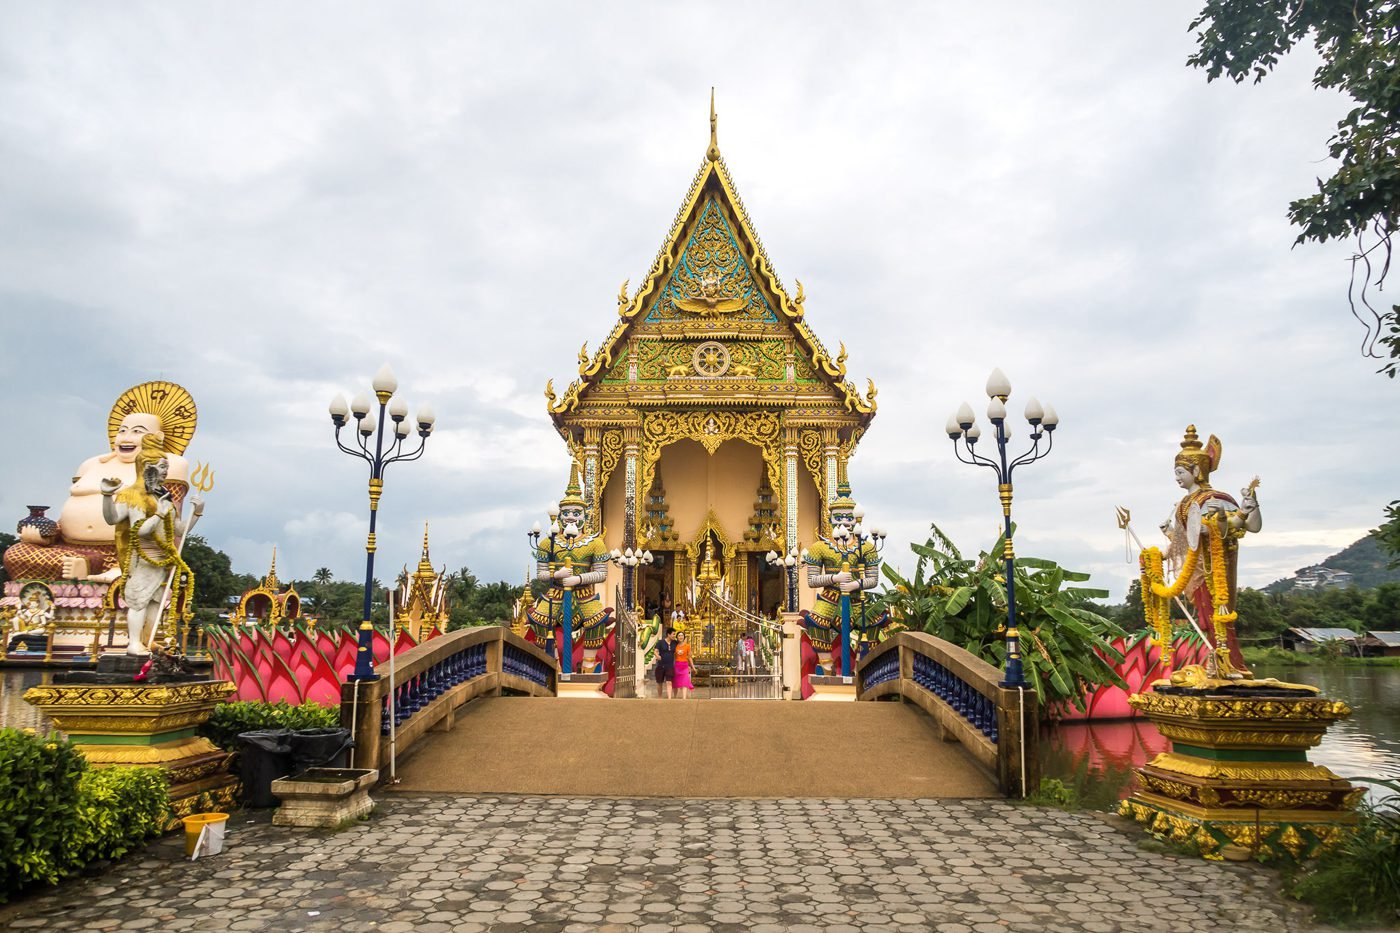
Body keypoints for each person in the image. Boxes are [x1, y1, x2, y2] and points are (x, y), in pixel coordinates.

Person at [654, 626, 677, 699]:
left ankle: (669, 698)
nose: (674, 636)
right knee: (659, 682)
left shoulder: (675, 643)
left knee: (669, 682)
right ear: (668, 634)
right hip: (660, 665)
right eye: (673, 634)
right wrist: (657, 656)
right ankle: (660, 697)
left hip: (670, 665)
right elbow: (655, 651)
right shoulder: (660, 642)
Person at [673, 622, 694, 698]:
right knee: (676, 682)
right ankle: (675, 696)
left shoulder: (687, 646)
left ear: (684, 637)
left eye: (682, 635)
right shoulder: (674, 646)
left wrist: (693, 667)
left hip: (684, 665)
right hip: (677, 665)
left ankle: (684, 698)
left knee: (685, 681)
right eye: (679, 635)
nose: (680, 637)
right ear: (677, 637)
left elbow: (690, 657)